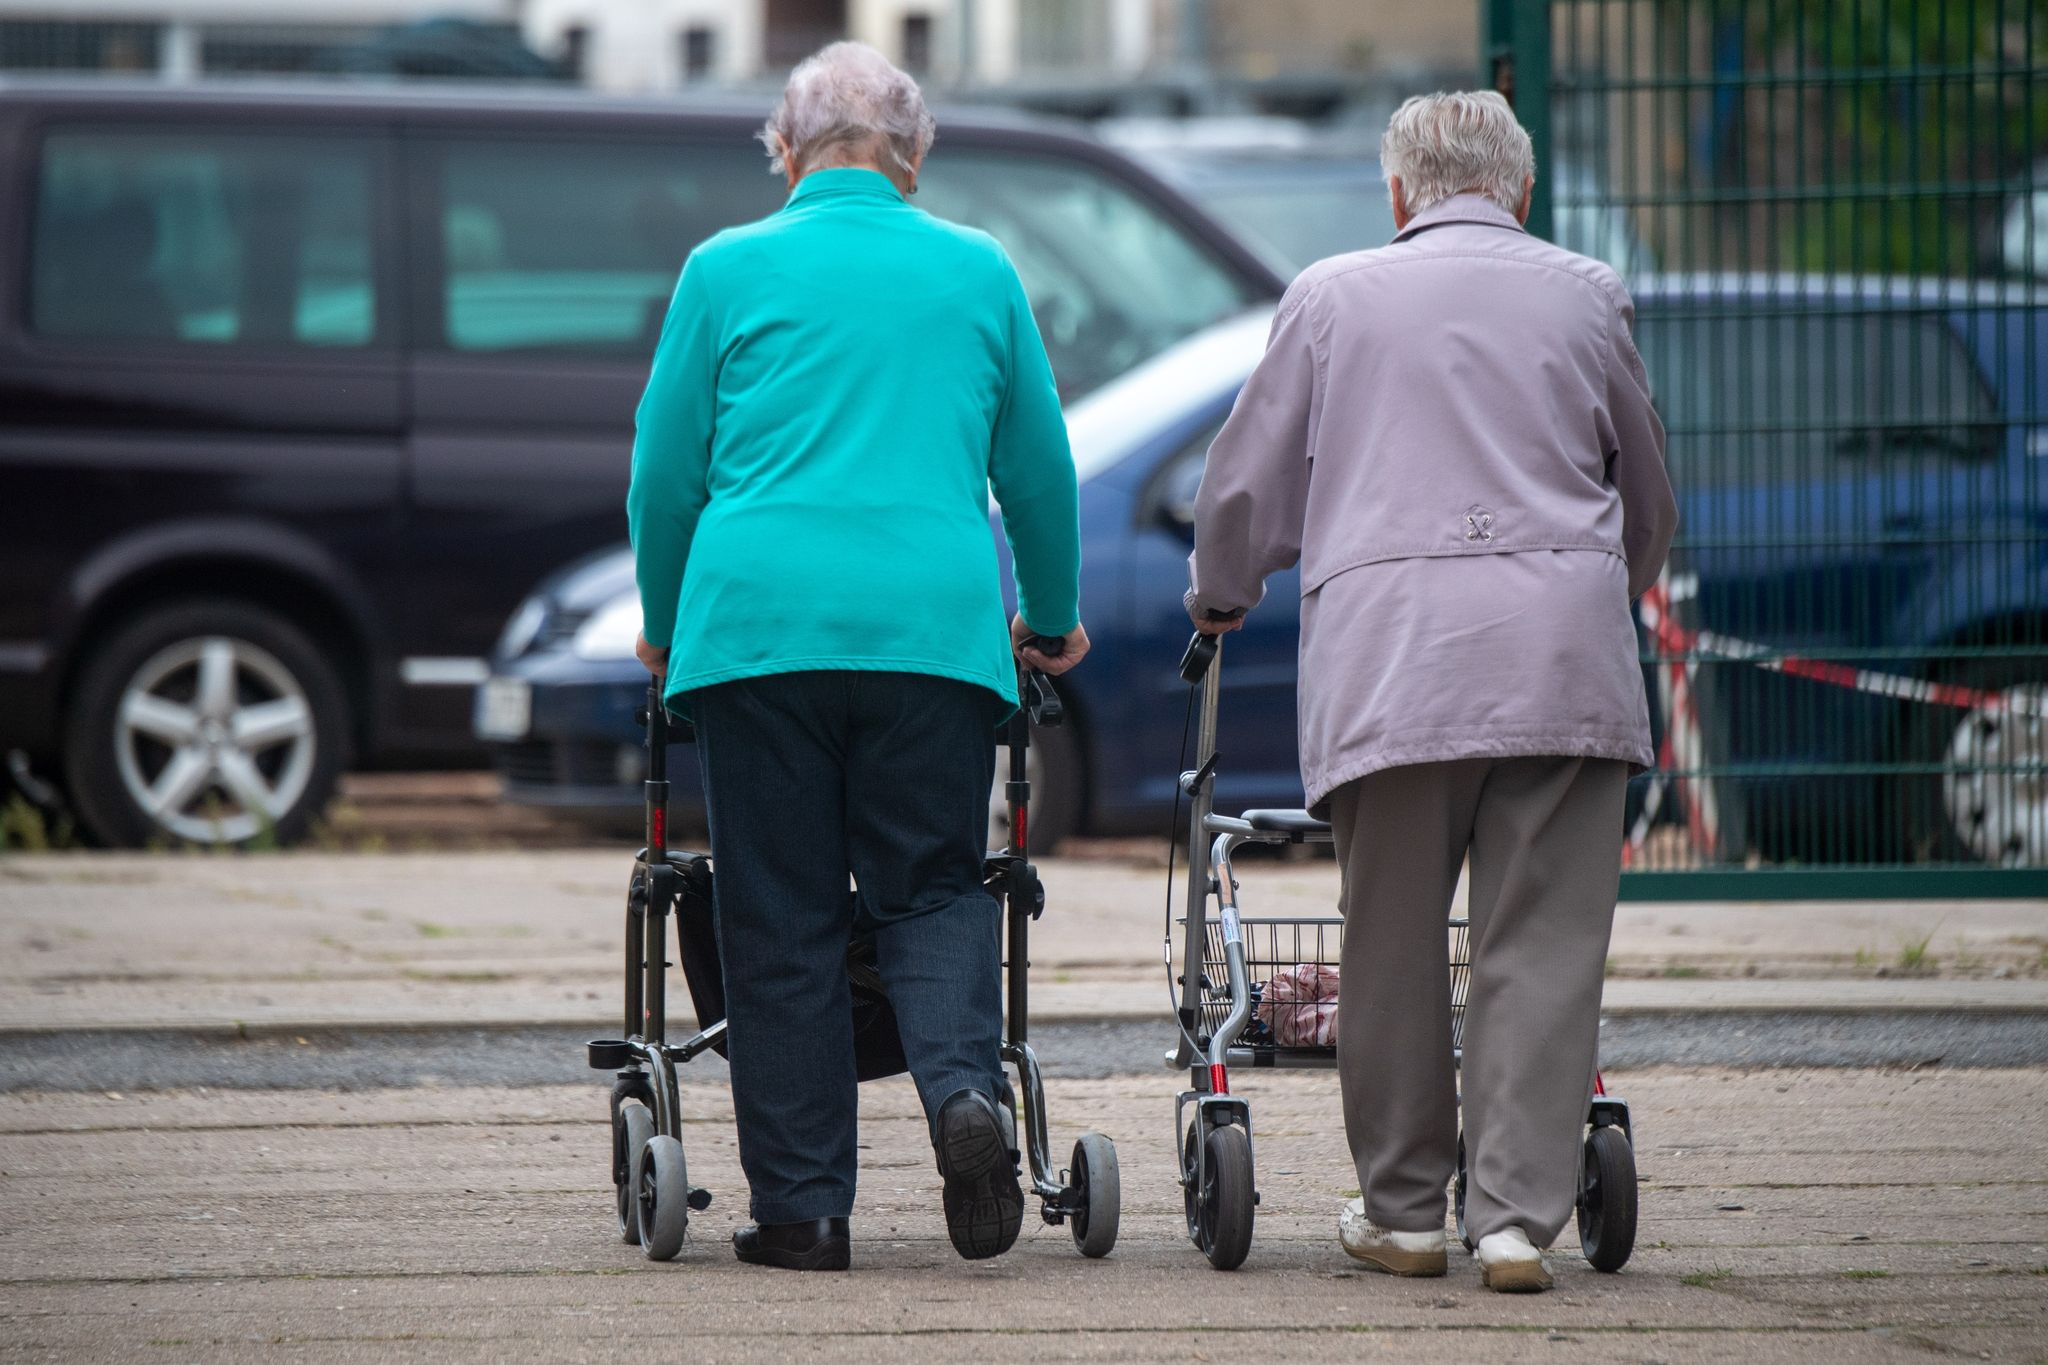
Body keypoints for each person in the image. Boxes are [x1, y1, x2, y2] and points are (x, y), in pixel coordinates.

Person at [1185, 90, 1676, 1293]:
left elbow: (1244, 487)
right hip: (1562, 660)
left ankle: (1401, 1212)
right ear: (1517, 190)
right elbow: (1645, 491)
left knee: (1390, 938)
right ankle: (1513, 1220)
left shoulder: (1329, 298)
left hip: (1394, 662)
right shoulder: (1587, 293)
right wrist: (1615, 587)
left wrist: (1220, 592)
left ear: (1397, 193)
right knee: (1540, 947)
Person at [626, 41, 1088, 1272]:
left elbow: (665, 475)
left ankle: (806, 1213)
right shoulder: (978, 271)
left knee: (775, 915)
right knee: (932, 886)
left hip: (757, 635)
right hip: (932, 637)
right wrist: (1049, 613)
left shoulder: (722, 271)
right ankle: (959, 1097)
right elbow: (1037, 473)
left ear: (782, 152)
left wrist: (664, 625)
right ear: (915, 156)